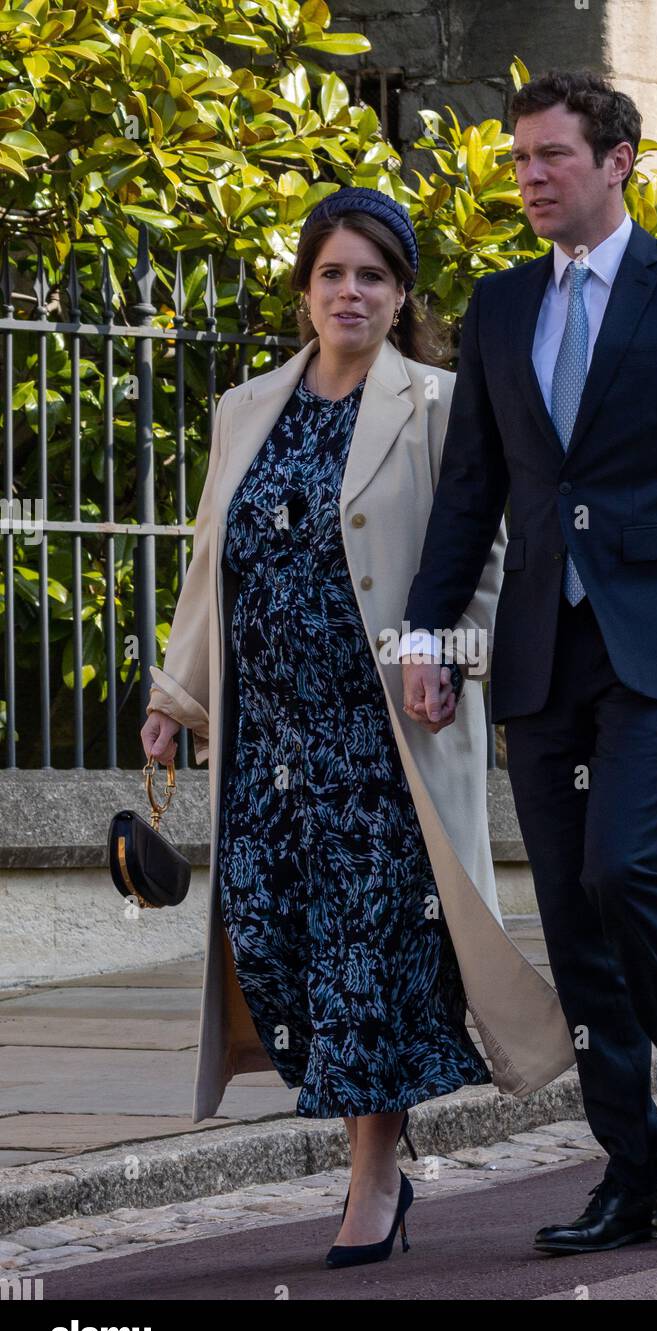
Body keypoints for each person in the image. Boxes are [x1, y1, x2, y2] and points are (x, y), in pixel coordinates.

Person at [400, 69, 657, 1254]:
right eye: (519, 159)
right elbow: (471, 488)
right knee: (572, 916)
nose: (529, 178)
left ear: (617, 159)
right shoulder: (495, 308)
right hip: (537, 649)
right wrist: (431, 632)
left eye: (550, 157)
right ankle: (625, 1162)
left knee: (618, 873)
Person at [141, 186, 576, 1271]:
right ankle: (372, 1145)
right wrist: (175, 695)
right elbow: (211, 565)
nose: (350, 292)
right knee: (279, 955)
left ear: (400, 297)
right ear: (304, 290)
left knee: (369, 963)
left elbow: (486, 557)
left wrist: (451, 656)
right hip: (268, 748)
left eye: (371, 276)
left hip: (383, 740)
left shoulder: (434, 403)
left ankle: (372, 1178)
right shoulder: (247, 408)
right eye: (332, 273)